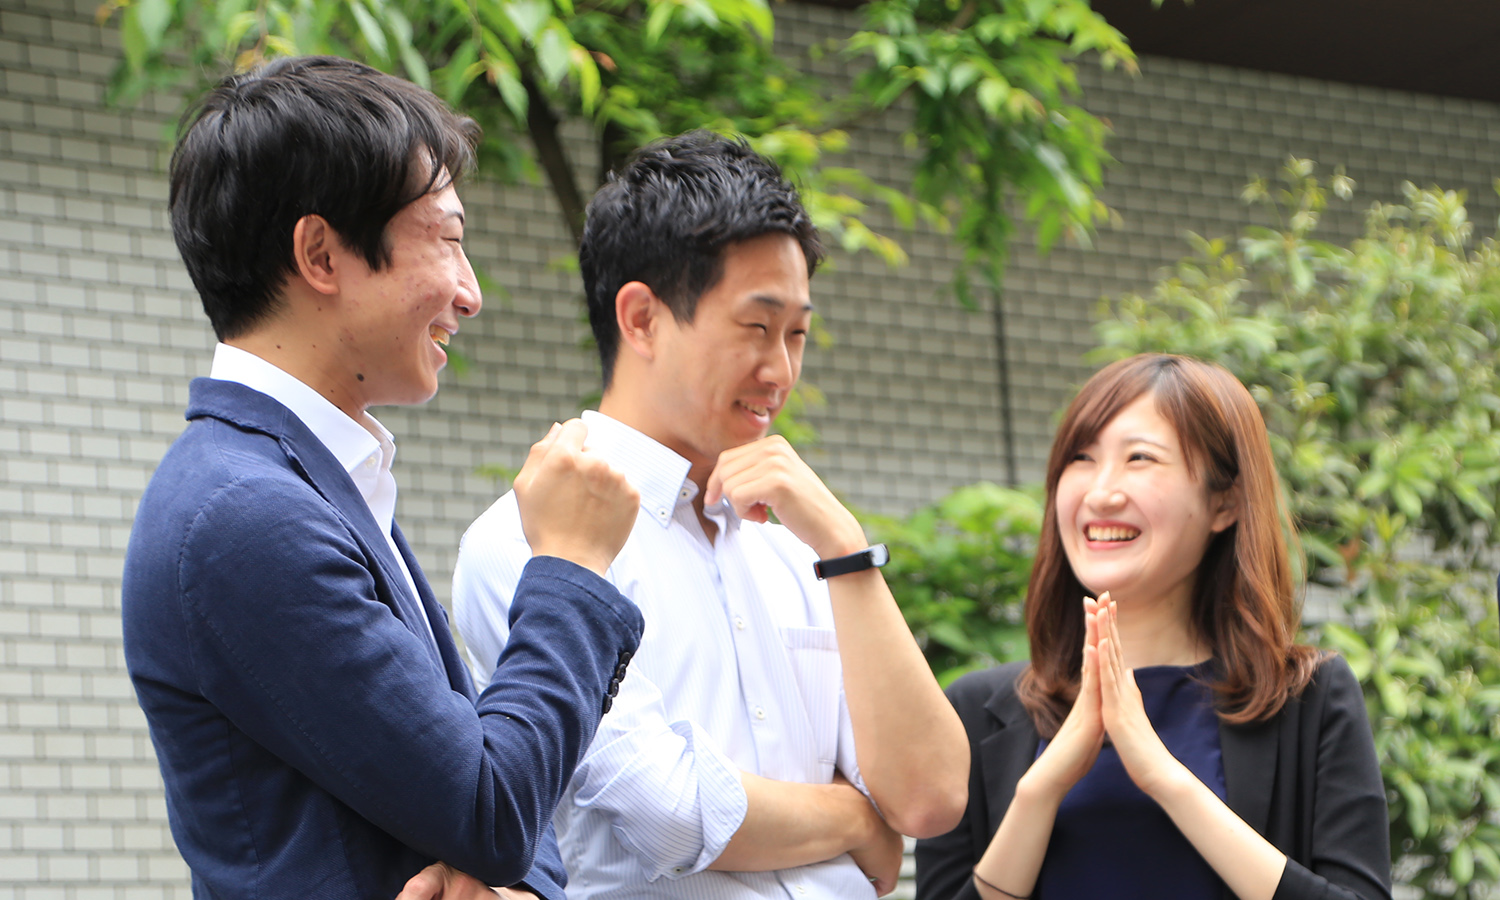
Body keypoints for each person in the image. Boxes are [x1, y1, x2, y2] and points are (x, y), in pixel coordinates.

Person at [121, 56, 645, 900]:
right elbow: (495, 806)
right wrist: (571, 565)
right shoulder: (245, 514)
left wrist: (517, 889)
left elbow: (500, 795)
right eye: (448, 239)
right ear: (321, 255)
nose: (470, 294)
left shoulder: (305, 482)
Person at [452, 131, 970, 899]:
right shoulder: (532, 542)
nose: (781, 370)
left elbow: (930, 799)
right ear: (641, 319)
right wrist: (858, 819)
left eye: (798, 334)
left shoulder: (799, 550)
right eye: (756, 328)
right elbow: (669, 812)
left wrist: (845, 548)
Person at [915, 353, 1392, 900]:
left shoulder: (1307, 698)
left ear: (1225, 502)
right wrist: (1039, 793)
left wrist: (1166, 779)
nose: (1101, 493)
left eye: (1139, 458)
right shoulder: (976, 711)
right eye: (1082, 458)